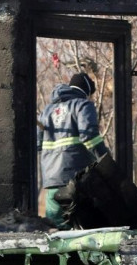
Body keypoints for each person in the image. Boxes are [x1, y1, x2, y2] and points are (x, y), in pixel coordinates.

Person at [37, 72, 109, 228]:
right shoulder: (83, 105)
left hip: (52, 181)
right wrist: (105, 160)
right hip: (76, 180)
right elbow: (89, 137)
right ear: (87, 91)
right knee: (83, 230)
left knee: (55, 230)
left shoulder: (46, 111)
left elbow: (37, 144)